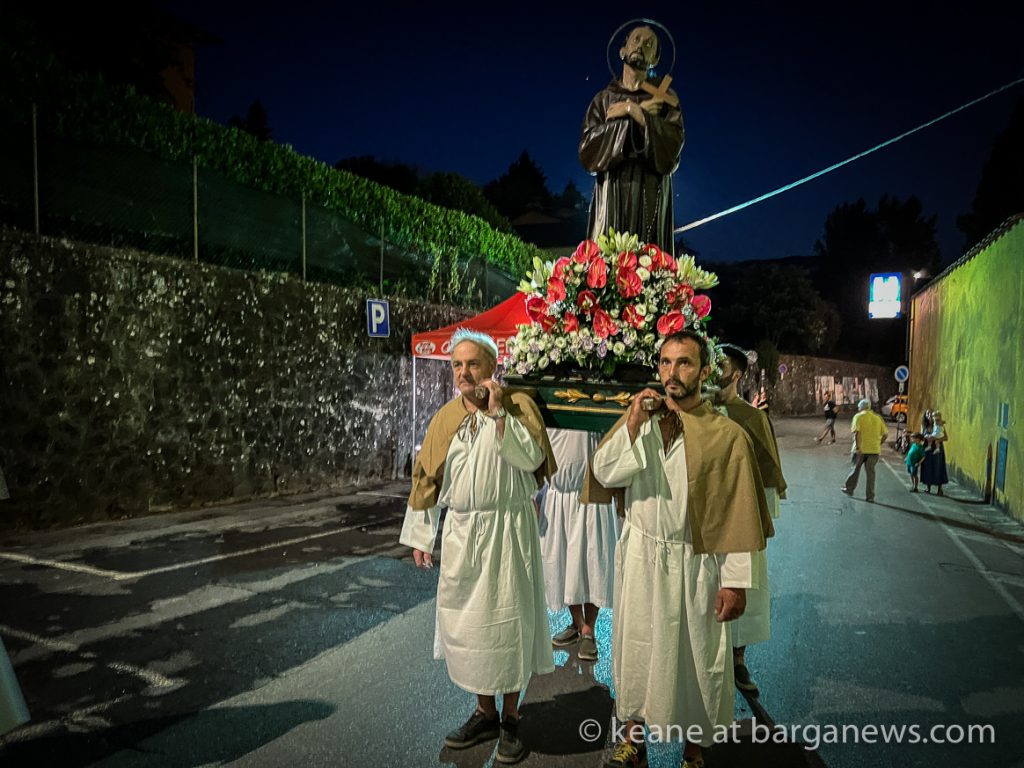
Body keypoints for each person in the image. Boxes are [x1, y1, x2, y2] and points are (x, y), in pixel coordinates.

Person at [584, 331, 773, 768]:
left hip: (697, 562)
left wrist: (736, 583)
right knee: (635, 650)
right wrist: (631, 422)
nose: (672, 372)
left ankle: (693, 751)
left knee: (696, 658)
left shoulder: (726, 436)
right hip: (642, 557)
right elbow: (606, 472)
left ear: (704, 371)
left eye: (684, 363)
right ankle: (633, 741)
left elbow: (737, 514)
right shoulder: (641, 421)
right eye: (665, 363)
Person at [400, 329, 558, 764]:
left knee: (506, 626)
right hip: (463, 532)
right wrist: (421, 533)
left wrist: (498, 414)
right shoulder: (445, 418)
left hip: (508, 529)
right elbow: (427, 478)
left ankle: (510, 718)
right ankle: (483, 713)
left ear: (492, 367)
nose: (464, 372)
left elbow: (531, 461)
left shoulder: (518, 406)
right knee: (470, 629)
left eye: (473, 363)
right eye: (457, 364)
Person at [715, 344, 787, 696]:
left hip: (744, 519)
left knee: (746, 591)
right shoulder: (695, 414)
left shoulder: (753, 418)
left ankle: (739, 661)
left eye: (723, 366)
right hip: (708, 523)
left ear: (738, 373)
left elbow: (768, 474)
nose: (716, 372)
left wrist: (762, 520)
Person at [579, 23, 684, 252]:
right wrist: (632, 118)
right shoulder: (604, 99)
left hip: (650, 191)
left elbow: (673, 147)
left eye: (649, 44)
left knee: (649, 263)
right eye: (636, 39)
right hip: (613, 192)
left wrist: (634, 111)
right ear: (622, 50)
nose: (641, 46)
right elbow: (588, 152)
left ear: (654, 60)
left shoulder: (665, 98)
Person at [539, 429, 619, 662]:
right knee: (565, 565)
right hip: (559, 494)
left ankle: (589, 629)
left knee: (592, 565)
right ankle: (577, 623)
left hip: (592, 494)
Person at [841, 398, 889, 502]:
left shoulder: (858, 417)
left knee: (855, 470)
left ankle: (849, 488)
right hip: (874, 450)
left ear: (861, 407)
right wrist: (878, 444)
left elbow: (857, 433)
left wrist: (858, 447)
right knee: (871, 473)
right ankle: (870, 496)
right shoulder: (878, 418)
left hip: (860, 450)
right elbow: (885, 434)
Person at [920, 410, 950, 495]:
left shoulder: (939, 424)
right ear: (925, 416)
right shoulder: (924, 426)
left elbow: (946, 437)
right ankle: (928, 487)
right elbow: (922, 436)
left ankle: (939, 489)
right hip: (928, 448)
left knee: (938, 467)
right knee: (927, 466)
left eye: (930, 414)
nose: (929, 415)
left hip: (937, 449)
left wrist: (936, 439)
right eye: (927, 414)